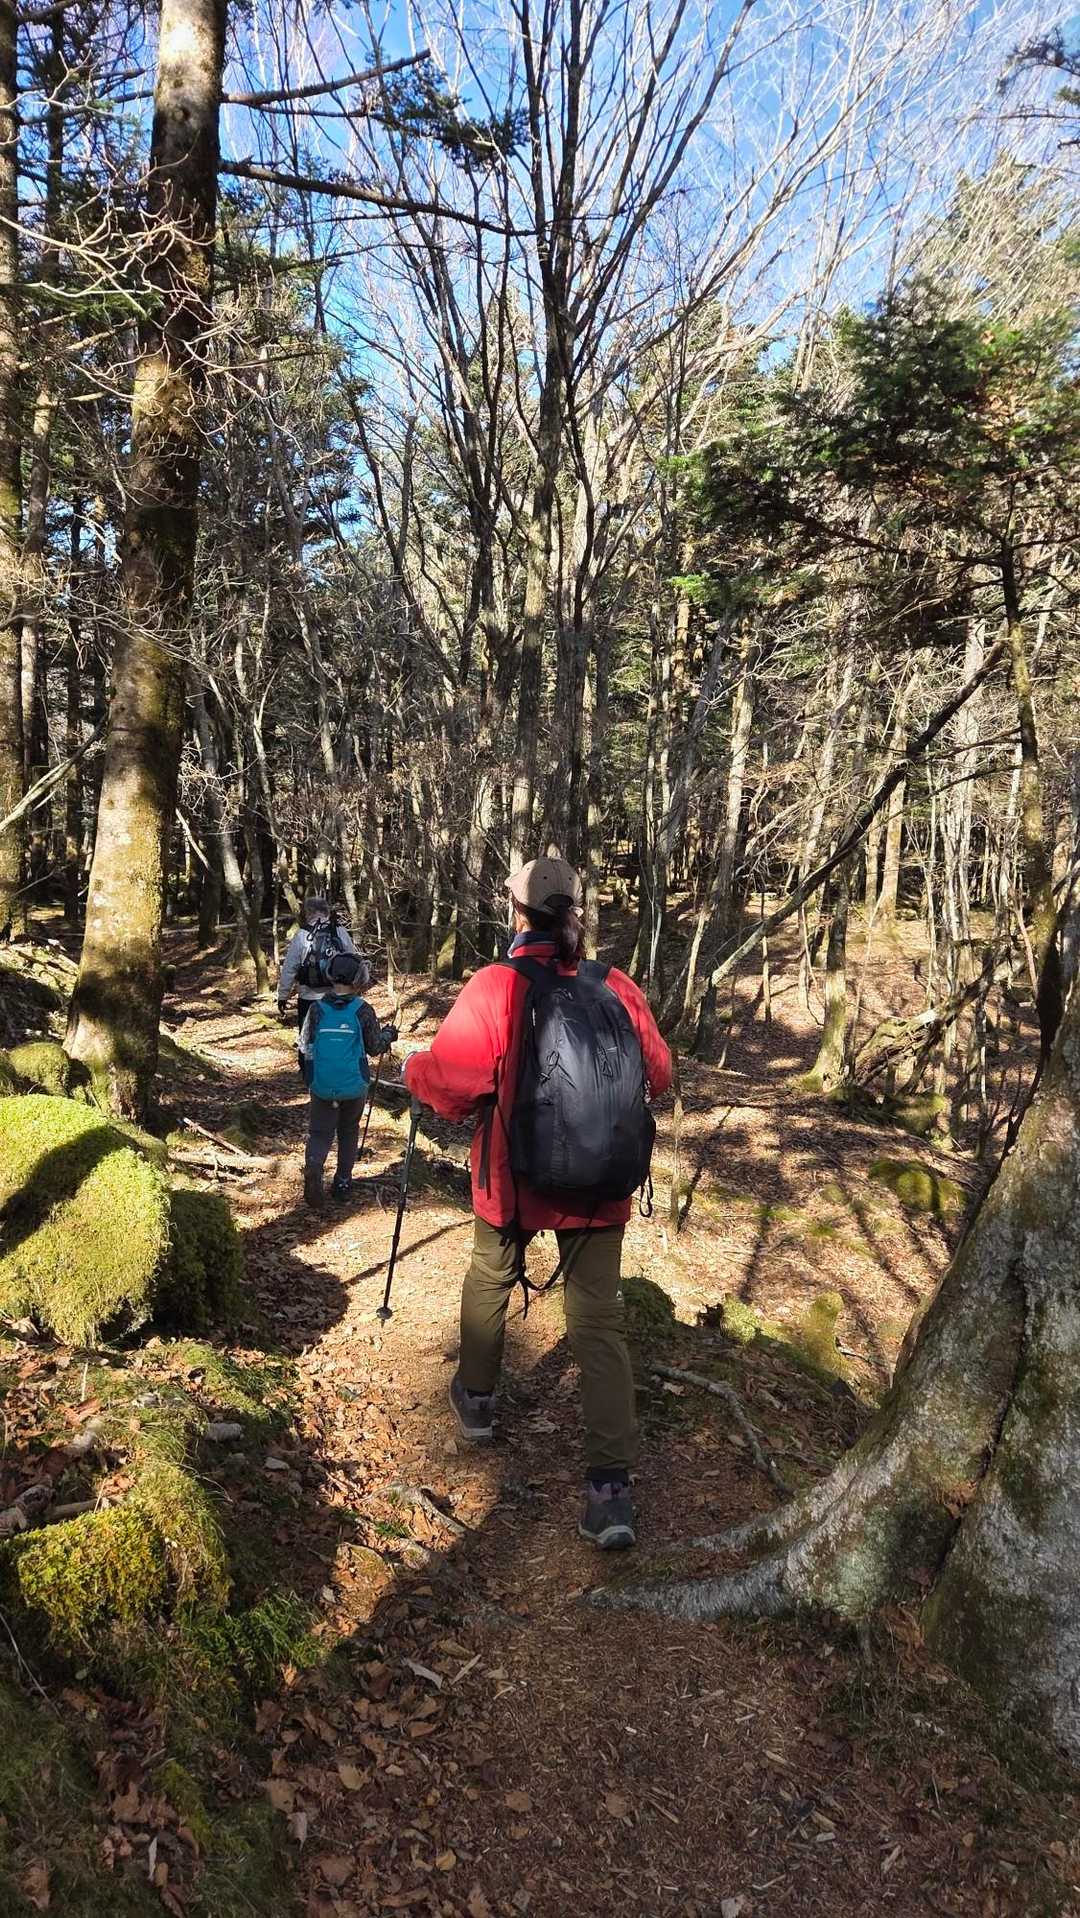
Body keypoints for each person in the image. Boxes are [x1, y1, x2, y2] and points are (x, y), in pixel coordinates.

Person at [404, 856, 671, 1550]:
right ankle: (610, 1494)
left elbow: (454, 1086)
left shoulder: (496, 985)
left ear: (516, 912)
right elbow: (660, 1073)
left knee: (490, 1275)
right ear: (575, 912)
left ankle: (477, 1401)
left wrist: (413, 1070)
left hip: (513, 1180)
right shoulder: (616, 985)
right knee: (598, 1325)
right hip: (601, 1187)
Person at [300, 951, 397, 1207]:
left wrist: (311, 1077)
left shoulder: (316, 1009)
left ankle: (314, 1166)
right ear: (359, 979)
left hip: (322, 1083)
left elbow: (305, 1045)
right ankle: (343, 1181)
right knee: (348, 1130)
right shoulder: (363, 1010)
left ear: (330, 975)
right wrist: (389, 1035)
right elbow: (374, 1047)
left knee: (319, 1132)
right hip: (354, 1084)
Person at [277, 895, 357, 1034]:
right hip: (337, 995)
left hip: (309, 997)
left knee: (308, 1037)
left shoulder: (302, 935)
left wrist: (283, 996)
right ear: (326, 911)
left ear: (308, 912)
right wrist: (354, 989)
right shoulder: (339, 931)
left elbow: (290, 968)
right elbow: (352, 960)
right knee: (335, 1034)